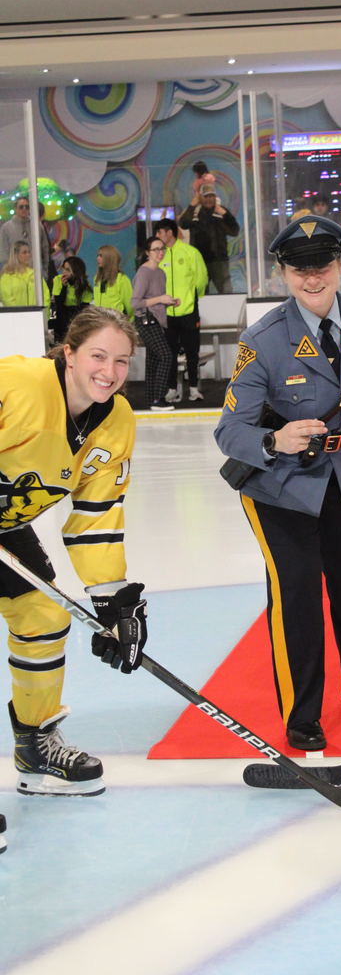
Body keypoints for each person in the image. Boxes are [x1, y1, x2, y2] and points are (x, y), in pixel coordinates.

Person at [215, 215, 341, 751]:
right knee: (297, 597)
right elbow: (229, 431)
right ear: (282, 273)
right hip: (283, 490)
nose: (312, 277)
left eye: (321, 264)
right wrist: (275, 441)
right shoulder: (263, 341)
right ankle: (302, 713)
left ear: (340, 263)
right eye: (299, 268)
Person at [0, 305, 148, 800]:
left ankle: (35, 748)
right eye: (98, 356)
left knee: (42, 613)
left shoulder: (115, 422)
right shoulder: (19, 383)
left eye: (121, 361)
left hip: (5, 527)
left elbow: (97, 514)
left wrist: (114, 601)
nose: (109, 372)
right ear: (69, 353)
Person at [154, 218, 208, 403]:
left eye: (159, 232)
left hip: (188, 311)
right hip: (167, 314)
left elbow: (201, 279)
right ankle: (172, 390)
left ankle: (194, 388)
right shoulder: (158, 256)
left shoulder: (190, 253)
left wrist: (190, 299)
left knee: (192, 352)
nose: (157, 236)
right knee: (169, 354)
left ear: (169, 233)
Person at [131, 235, 180, 411]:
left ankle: (151, 401)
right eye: (156, 250)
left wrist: (170, 301)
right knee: (166, 355)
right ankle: (159, 398)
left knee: (153, 360)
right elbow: (135, 303)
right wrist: (160, 298)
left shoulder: (160, 273)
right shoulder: (144, 273)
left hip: (157, 320)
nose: (160, 253)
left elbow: (154, 299)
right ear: (147, 253)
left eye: (162, 249)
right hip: (145, 320)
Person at [178, 183, 240, 294]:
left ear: (215, 196)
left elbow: (235, 231)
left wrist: (225, 214)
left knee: (226, 293)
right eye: (205, 196)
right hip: (199, 261)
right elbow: (183, 224)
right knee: (200, 293)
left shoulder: (220, 213)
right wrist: (192, 205)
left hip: (219, 261)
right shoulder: (195, 213)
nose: (208, 199)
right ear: (200, 197)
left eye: (211, 196)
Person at [0, 196, 49, 275]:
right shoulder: (6, 228)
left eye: (27, 206)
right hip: (14, 275)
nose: (24, 209)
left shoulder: (37, 226)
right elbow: (4, 254)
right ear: (15, 209)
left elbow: (45, 250)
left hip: (35, 274)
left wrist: (45, 272)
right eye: (21, 207)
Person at [50, 256, 93, 344]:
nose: (64, 272)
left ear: (75, 271)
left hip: (77, 316)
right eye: (63, 269)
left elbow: (84, 308)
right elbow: (59, 303)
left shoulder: (84, 285)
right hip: (62, 315)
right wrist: (64, 287)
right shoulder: (58, 280)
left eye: (67, 270)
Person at [0, 241, 50, 308]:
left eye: (29, 252)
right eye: (24, 252)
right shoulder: (7, 276)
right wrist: (20, 314)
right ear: (16, 254)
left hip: (36, 316)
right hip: (16, 317)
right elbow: (6, 298)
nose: (28, 255)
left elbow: (45, 294)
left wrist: (43, 313)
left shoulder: (35, 274)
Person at [94, 246, 134, 320]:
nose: (98, 258)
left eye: (101, 256)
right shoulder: (97, 278)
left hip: (117, 322)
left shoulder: (122, 279)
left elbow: (130, 306)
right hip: (100, 322)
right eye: (98, 255)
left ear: (109, 258)